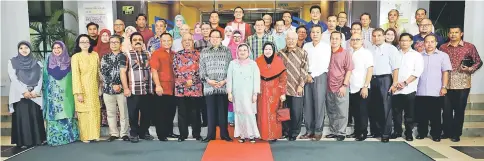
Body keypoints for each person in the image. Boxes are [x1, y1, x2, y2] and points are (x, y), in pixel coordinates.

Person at [440, 25, 482, 142]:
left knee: (459, 110)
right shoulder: (443, 47)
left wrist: (469, 69)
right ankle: (446, 132)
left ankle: (456, 133)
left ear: (461, 34)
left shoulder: (469, 47)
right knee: (446, 110)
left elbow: (478, 62)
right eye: (451, 32)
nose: (453, 35)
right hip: (446, 83)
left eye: (456, 32)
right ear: (448, 34)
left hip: (463, 84)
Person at [9, 41, 46, 148]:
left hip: (34, 95)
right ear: (18, 50)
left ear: (30, 49)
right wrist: (24, 91)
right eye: (21, 48)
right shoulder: (12, 62)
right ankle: (23, 141)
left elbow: (40, 78)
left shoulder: (37, 62)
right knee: (23, 118)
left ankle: (38, 139)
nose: (24, 50)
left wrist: (35, 91)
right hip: (20, 95)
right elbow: (13, 78)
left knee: (35, 116)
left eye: (26, 47)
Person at [367, 28, 401, 143]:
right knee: (374, 106)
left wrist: (395, 82)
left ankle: (386, 133)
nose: (377, 38)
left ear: (384, 36)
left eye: (379, 35)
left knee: (385, 107)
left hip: (385, 79)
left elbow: (395, 67)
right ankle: (376, 131)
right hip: (372, 79)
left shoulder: (391, 49)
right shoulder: (370, 49)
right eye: (374, 36)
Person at [416, 34, 452, 142]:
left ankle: (436, 134)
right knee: (421, 114)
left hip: (436, 90)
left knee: (435, 114)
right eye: (427, 42)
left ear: (436, 43)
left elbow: (445, 72)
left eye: (432, 42)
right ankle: (421, 133)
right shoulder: (419, 56)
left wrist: (444, 87)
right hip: (420, 90)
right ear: (423, 43)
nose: (429, 44)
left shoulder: (443, 56)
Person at [43, 41, 79, 146]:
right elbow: (45, 77)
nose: (57, 50)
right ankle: (55, 139)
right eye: (54, 48)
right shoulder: (48, 61)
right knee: (54, 114)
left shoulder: (70, 61)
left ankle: (69, 137)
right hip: (53, 94)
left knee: (67, 113)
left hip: (67, 93)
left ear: (63, 49)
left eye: (59, 48)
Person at [120, 32, 155, 143]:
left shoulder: (148, 54)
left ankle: (144, 132)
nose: (137, 41)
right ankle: (134, 133)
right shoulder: (126, 55)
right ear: (131, 43)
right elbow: (122, 72)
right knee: (133, 113)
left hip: (147, 89)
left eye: (140, 39)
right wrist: (125, 88)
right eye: (135, 40)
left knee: (147, 112)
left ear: (143, 42)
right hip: (133, 90)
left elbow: (153, 70)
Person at [199, 30, 233, 143]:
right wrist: (209, 80)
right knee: (210, 112)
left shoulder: (227, 51)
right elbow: (201, 69)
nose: (214, 39)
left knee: (223, 112)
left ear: (221, 38)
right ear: (209, 38)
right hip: (209, 87)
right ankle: (210, 135)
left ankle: (224, 134)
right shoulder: (204, 52)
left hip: (223, 86)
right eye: (212, 37)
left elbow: (230, 68)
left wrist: (224, 81)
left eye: (217, 37)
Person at [391, 33, 424, 141]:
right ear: (399, 42)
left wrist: (405, 83)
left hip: (410, 88)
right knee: (396, 113)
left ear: (411, 42)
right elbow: (393, 69)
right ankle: (397, 131)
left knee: (409, 114)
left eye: (407, 40)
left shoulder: (416, 55)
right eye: (402, 40)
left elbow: (417, 71)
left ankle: (408, 133)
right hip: (396, 89)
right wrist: (395, 83)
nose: (404, 42)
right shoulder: (396, 54)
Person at [301, 25, 331, 141]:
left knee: (319, 104)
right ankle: (309, 131)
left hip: (320, 76)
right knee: (307, 104)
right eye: (312, 32)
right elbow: (303, 62)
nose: (315, 34)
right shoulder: (307, 46)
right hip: (307, 76)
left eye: (317, 32)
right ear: (310, 34)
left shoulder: (326, 47)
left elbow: (325, 64)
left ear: (321, 34)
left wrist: (312, 75)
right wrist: (307, 75)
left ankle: (318, 131)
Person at [227, 43, 262, 143]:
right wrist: (229, 92)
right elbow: (230, 79)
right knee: (239, 113)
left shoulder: (253, 64)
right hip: (237, 94)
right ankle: (241, 135)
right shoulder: (233, 63)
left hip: (249, 94)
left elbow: (256, 79)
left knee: (249, 113)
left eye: (244, 50)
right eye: (240, 50)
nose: (242, 52)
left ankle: (251, 135)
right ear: (237, 52)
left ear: (248, 52)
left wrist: (255, 93)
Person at [278, 31, 309, 141]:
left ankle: (294, 132)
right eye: (289, 39)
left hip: (297, 87)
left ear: (296, 40)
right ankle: (285, 131)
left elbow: (304, 70)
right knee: (284, 110)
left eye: (293, 39)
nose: (291, 41)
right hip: (283, 88)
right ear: (285, 40)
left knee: (296, 111)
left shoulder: (303, 53)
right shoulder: (280, 53)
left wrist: (301, 85)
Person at [173, 33, 203, 141]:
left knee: (195, 112)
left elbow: (201, 70)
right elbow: (175, 70)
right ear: (182, 43)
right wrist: (185, 81)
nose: (187, 42)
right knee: (182, 113)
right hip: (181, 88)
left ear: (192, 41)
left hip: (195, 88)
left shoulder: (199, 55)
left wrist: (192, 80)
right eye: (185, 40)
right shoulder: (177, 55)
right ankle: (183, 135)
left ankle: (197, 134)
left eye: (189, 40)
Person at [71, 34, 101, 143]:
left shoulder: (95, 55)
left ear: (90, 43)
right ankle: (85, 136)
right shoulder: (76, 57)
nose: (84, 44)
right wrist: (78, 92)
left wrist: (100, 87)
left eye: (86, 41)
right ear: (78, 44)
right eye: (82, 42)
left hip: (94, 87)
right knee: (84, 113)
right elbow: (75, 75)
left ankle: (95, 134)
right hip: (82, 88)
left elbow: (98, 72)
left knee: (94, 111)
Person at [325, 31, 354, 141]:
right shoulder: (327, 52)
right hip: (328, 86)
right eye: (332, 38)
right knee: (331, 111)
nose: (334, 40)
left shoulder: (345, 53)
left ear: (341, 40)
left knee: (342, 111)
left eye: (337, 38)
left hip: (340, 86)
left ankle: (341, 132)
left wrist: (344, 85)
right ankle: (333, 131)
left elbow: (349, 70)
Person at [100, 35, 130, 142]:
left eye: (116, 42)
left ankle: (124, 133)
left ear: (120, 44)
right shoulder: (105, 57)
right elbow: (103, 72)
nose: (114, 44)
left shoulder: (125, 56)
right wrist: (113, 84)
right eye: (112, 42)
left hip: (122, 89)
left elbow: (126, 72)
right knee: (110, 113)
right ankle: (113, 133)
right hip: (108, 89)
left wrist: (121, 86)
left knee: (123, 112)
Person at [257, 42, 287, 142]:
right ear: (263, 50)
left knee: (273, 114)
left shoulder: (278, 61)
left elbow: (283, 79)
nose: (268, 51)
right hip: (261, 92)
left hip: (275, 91)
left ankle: (274, 135)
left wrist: (283, 93)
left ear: (273, 50)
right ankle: (262, 134)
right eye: (266, 49)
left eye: (270, 49)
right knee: (262, 113)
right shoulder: (258, 61)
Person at [150, 33, 177, 141]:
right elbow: (154, 70)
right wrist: (157, 85)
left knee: (171, 111)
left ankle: (169, 132)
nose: (166, 42)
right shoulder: (156, 53)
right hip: (161, 87)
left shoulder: (173, 54)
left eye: (168, 40)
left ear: (172, 41)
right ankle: (161, 134)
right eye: (164, 41)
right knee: (161, 112)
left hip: (173, 87)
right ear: (160, 42)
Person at [348, 33, 373, 141]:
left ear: (362, 40)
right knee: (355, 112)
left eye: (357, 39)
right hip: (352, 87)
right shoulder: (350, 53)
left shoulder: (366, 53)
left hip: (362, 87)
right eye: (353, 39)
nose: (355, 41)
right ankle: (357, 131)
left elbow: (370, 70)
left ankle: (363, 133)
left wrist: (365, 86)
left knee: (362, 112)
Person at [227, 30, 244, 126]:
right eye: (235, 36)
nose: (237, 38)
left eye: (239, 36)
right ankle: (231, 119)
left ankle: (241, 119)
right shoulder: (228, 49)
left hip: (244, 79)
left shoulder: (245, 49)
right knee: (232, 99)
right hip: (232, 78)